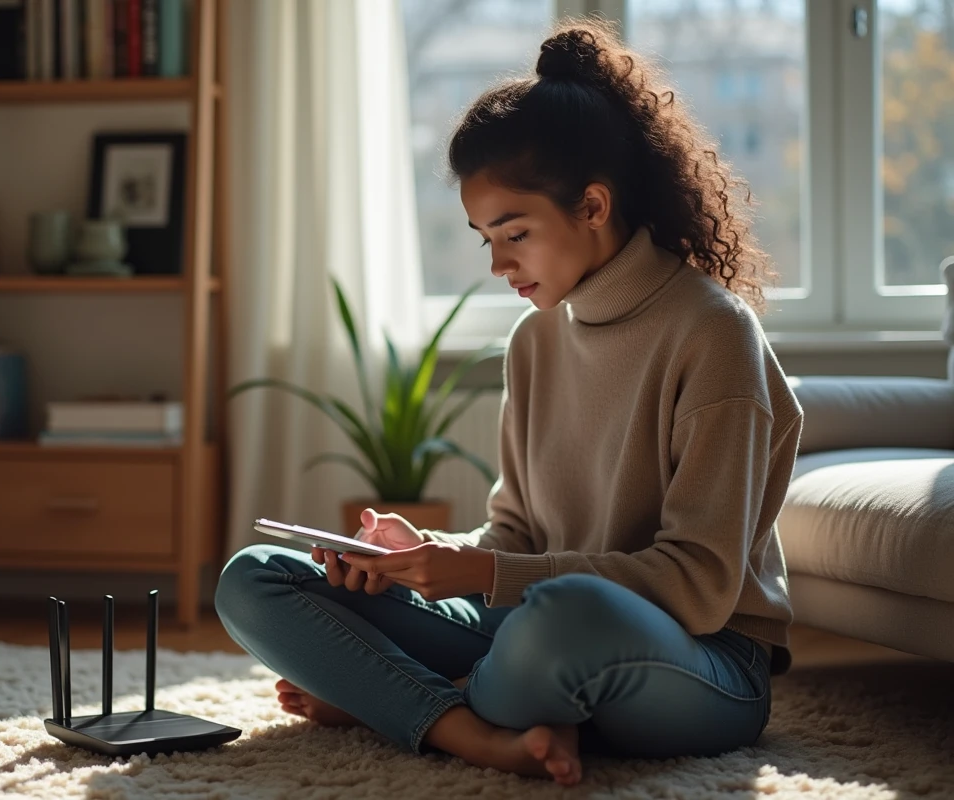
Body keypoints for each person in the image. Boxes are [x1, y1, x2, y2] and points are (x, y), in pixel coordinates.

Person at [214, 18, 802, 785]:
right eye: (483, 238)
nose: (497, 263)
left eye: (514, 233)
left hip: (702, 662)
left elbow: (697, 586)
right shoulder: (536, 340)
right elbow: (515, 533)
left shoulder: (715, 335)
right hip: (528, 633)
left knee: (563, 620)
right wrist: (418, 555)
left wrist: (486, 572)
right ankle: (483, 728)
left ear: (593, 206)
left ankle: (400, 701)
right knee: (254, 577)